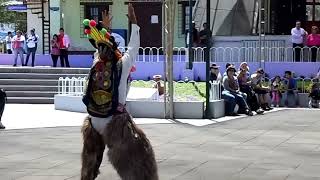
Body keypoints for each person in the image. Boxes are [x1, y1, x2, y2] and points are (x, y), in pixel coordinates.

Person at [80, 4, 158, 180]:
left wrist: (105, 28)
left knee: (90, 162)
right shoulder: (122, 65)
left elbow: (99, 45)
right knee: (139, 156)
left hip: (93, 121)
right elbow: (134, 47)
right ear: (117, 50)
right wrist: (135, 24)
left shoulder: (96, 62)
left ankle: (88, 175)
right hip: (114, 122)